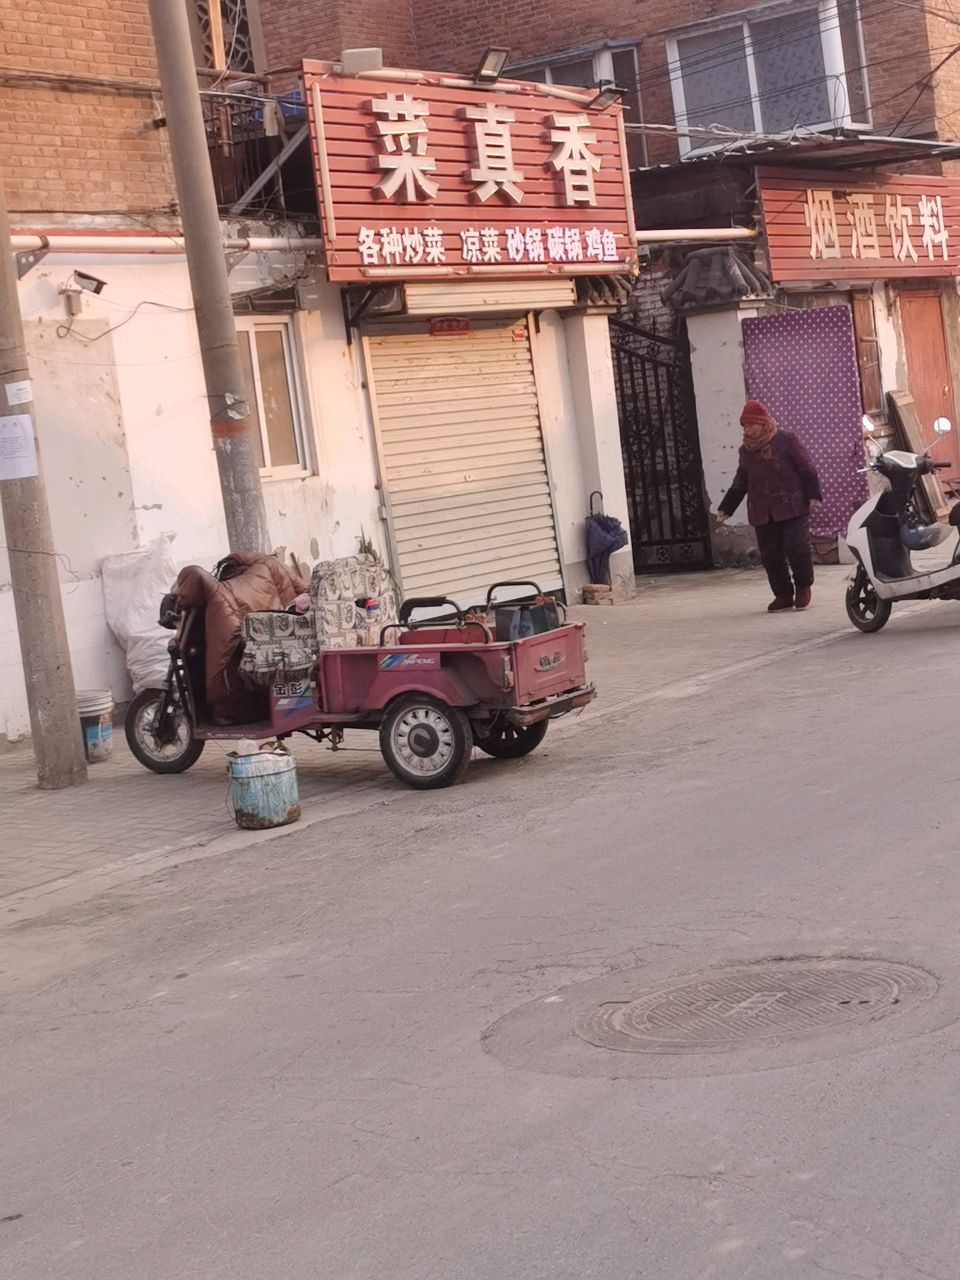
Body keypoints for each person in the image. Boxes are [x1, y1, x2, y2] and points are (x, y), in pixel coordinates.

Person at [716, 400, 823, 612]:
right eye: (744, 425)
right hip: (762, 509)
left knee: (796, 547)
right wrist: (725, 508)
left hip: (792, 505)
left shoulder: (786, 440)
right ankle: (783, 594)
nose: (747, 429)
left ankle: (803, 586)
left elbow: (807, 468)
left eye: (751, 424)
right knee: (770, 554)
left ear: (763, 423)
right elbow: (741, 481)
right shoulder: (745, 451)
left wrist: (813, 496)